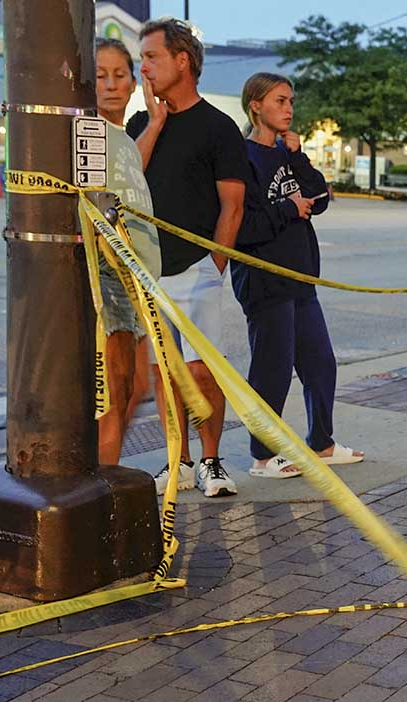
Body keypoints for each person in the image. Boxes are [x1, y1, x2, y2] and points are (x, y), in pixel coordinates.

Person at [127, 18, 247, 497]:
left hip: (198, 268)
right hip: (149, 271)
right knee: (164, 372)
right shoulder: (142, 123)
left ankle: (211, 461)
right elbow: (128, 179)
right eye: (142, 59)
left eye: (152, 57)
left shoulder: (219, 127)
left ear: (183, 60)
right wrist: (155, 122)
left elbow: (233, 205)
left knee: (201, 371)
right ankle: (176, 460)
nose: (144, 67)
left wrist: (214, 267)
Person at [235, 72, 364, 477]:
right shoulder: (243, 157)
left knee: (321, 363)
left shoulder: (286, 153)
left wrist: (298, 156)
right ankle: (262, 456)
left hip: (301, 276)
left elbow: (321, 198)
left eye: (291, 101)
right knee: (271, 371)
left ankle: (321, 443)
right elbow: (242, 227)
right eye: (279, 101)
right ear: (255, 105)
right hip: (265, 278)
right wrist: (289, 209)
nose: (289, 109)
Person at [94, 38, 162, 464]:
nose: (111, 84)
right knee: (115, 393)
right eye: (100, 76)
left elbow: (126, 171)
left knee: (137, 386)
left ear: (134, 82)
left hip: (134, 279)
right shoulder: (87, 130)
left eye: (120, 74)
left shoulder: (119, 136)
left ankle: (107, 480)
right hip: (107, 275)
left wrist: (154, 123)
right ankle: (101, 494)